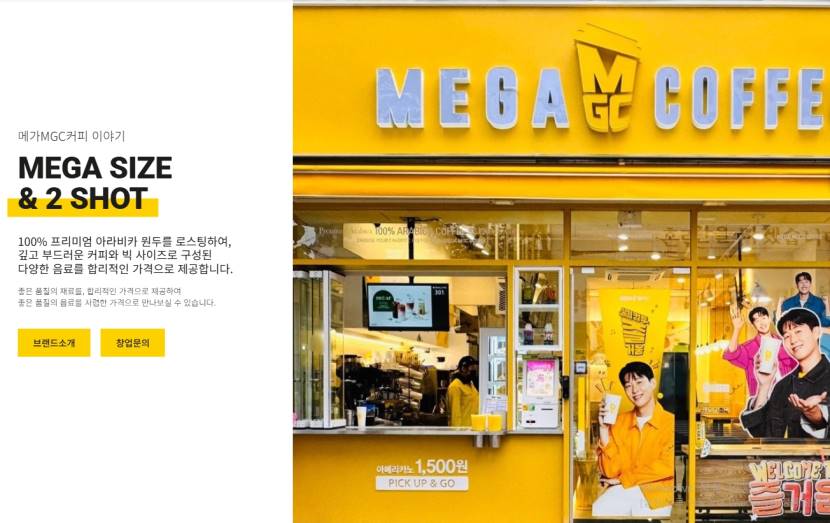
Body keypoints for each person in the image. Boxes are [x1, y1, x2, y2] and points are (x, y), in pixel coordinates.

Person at [592, 361, 674, 517]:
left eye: (639, 382)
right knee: (598, 510)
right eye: (628, 386)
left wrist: (624, 479)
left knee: (643, 515)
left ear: (653, 383)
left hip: (657, 492)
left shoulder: (670, 422)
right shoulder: (619, 422)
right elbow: (611, 471)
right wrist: (603, 430)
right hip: (624, 490)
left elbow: (666, 466)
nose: (635, 390)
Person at [740, 308, 830, 438]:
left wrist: (818, 417)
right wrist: (764, 386)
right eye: (787, 336)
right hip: (778, 453)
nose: (793, 340)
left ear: (816, 332)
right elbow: (761, 433)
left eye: (798, 331)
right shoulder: (782, 386)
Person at [723, 305, 797, 397]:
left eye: (763, 318)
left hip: (788, 397)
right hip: (762, 399)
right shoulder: (749, 348)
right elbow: (731, 353)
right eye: (757, 321)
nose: (762, 323)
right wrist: (737, 329)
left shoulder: (785, 343)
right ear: (753, 325)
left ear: (769, 319)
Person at [779, 272, 830, 359]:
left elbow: (826, 323)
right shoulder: (788, 303)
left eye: (806, 282)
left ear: (810, 284)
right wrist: (779, 305)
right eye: (801, 282)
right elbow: (780, 324)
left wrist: (827, 305)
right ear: (797, 285)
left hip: (813, 345)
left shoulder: (819, 302)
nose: (804, 285)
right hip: (795, 345)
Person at [447, 356, 479, 427]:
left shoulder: (471, 384)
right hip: (463, 430)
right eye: (472, 367)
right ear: (463, 368)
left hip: (473, 428)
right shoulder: (455, 386)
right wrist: (458, 432)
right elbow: (455, 414)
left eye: (474, 367)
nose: (474, 370)